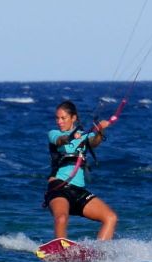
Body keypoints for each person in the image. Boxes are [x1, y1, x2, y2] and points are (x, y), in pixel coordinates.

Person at [43, 99, 119, 243]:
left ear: (74, 118)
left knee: (110, 217)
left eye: (63, 118)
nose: (59, 121)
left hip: (77, 190)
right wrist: (71, 136)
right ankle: (60, 249)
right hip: (58, 187)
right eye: (57, 118)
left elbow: (95, 142)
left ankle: (100, 252)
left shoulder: (84, 136)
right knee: (61, 218)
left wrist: (100, 130)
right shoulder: (53, 133)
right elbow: (60, 140)